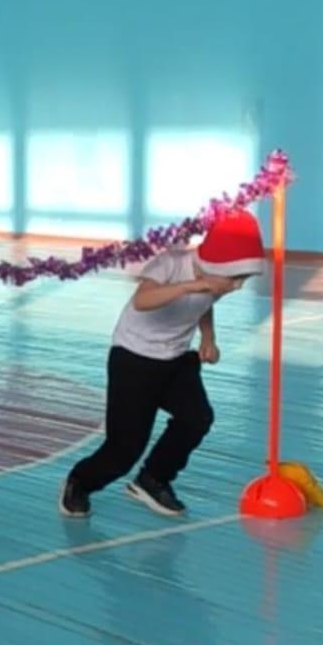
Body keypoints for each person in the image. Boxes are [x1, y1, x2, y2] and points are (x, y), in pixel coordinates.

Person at [60, 209, 266, 519]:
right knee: (124, 449)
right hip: (134, 359)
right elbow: (142, 301)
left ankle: (153, 478)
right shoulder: (171, 263)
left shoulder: (215, 283)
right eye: (235, 278)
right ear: (216, 265)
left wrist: (208, 338)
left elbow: (204, 305)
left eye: (243, 279)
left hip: (176, 359)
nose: (237, 286)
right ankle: (80, 482)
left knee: (197, 418)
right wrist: (191, 286)